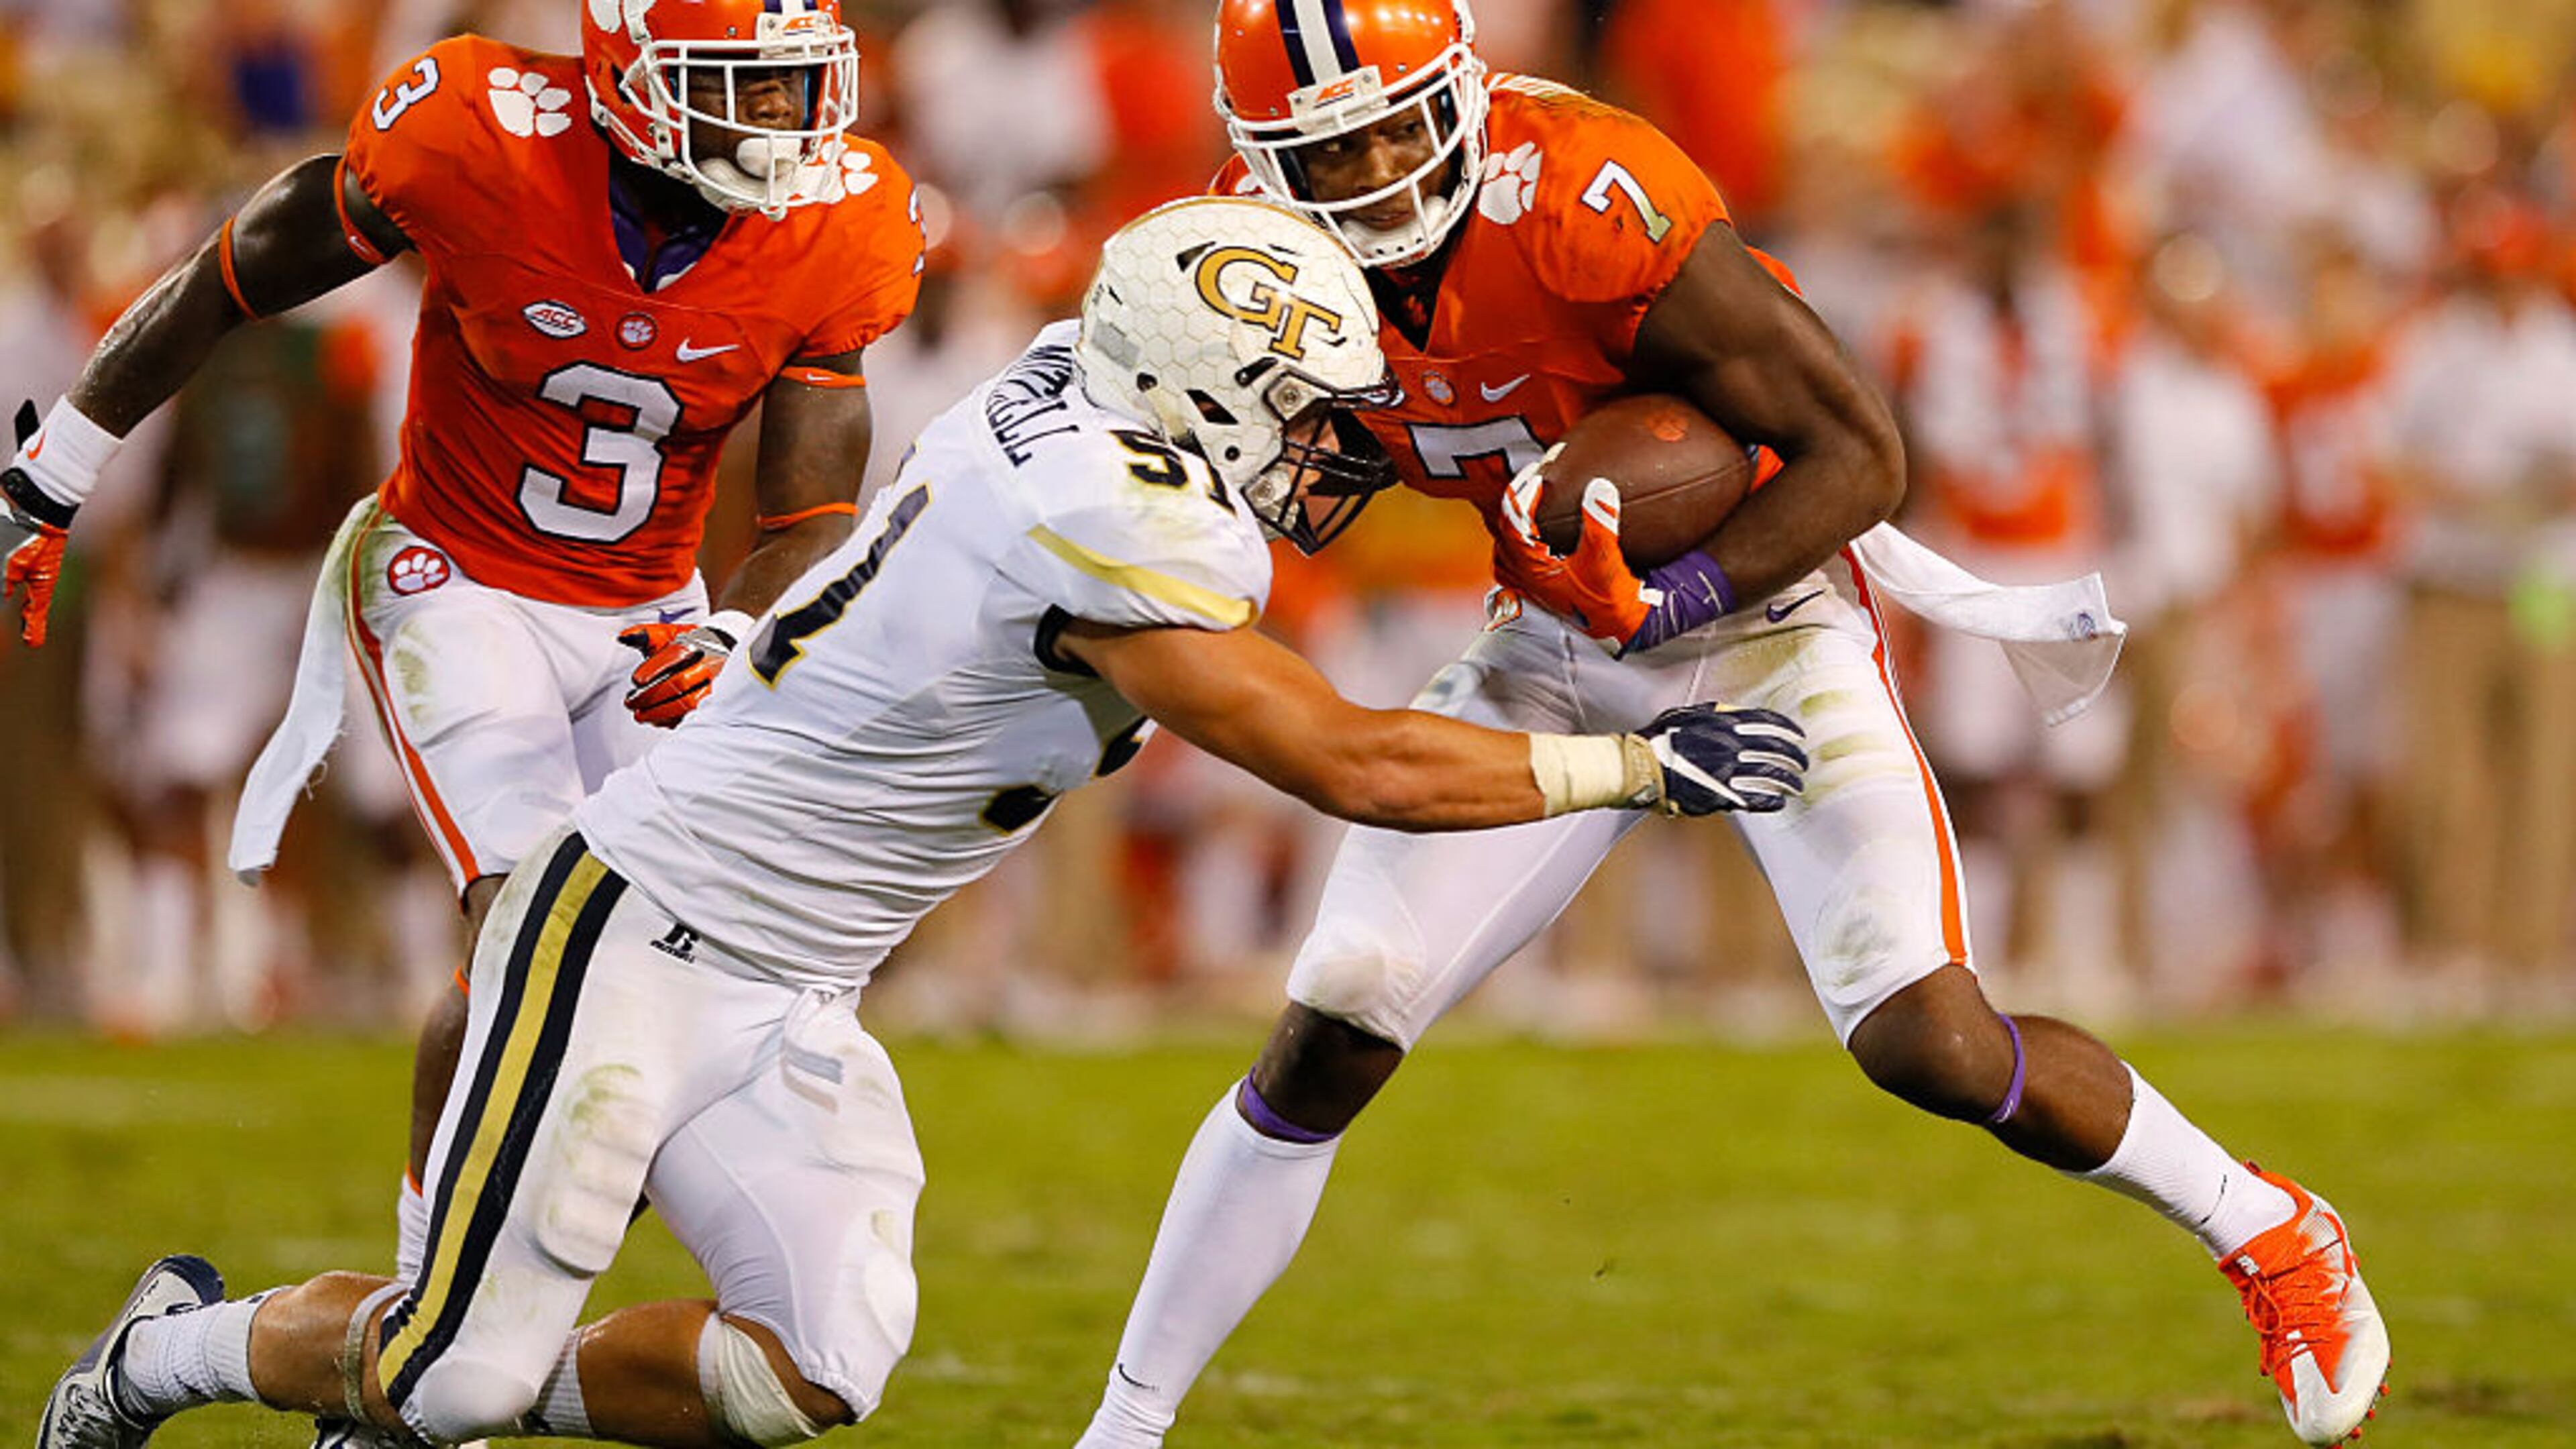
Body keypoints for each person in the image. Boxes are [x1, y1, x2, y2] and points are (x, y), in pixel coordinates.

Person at [33, 195, 1807, 1449]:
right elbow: (1351, 763)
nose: (1328, 454)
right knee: (457, 1389)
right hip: (645, 932)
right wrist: (1641, 768)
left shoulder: (1075, 382)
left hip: (795, 977)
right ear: (1194, 400)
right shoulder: (1126, 528)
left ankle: (423, 1358)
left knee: (805, 1368)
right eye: (1302, 416)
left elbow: (1185, 298)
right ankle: (169, 1355)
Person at [1071, 4, 2388, 1446]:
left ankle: (2268, 1226)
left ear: (1460, 89)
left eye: (1401, 121)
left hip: (1761, 615)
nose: (1384, 169)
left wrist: (1677, 589)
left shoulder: (1583, 192)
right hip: (1553, 631)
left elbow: (1862, 453)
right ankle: (1125, 1430)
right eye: (1336, 150)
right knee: (1338, 1017)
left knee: (1926, 1039)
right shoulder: (1245, 257)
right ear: (1263, 161)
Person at [0, 0, 924, 1290]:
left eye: (793, 85)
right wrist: (57, 471)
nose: (782, 122)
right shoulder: (477, 131)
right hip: (457, 580)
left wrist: (733, 625)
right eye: (744, 85)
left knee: (685, 954)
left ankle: (447, 1309)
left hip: (650, 614)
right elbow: (231, 277)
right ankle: (421, 1318)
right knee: (532, 928)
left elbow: (815, 515)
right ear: (630, 75)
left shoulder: (841, 220)